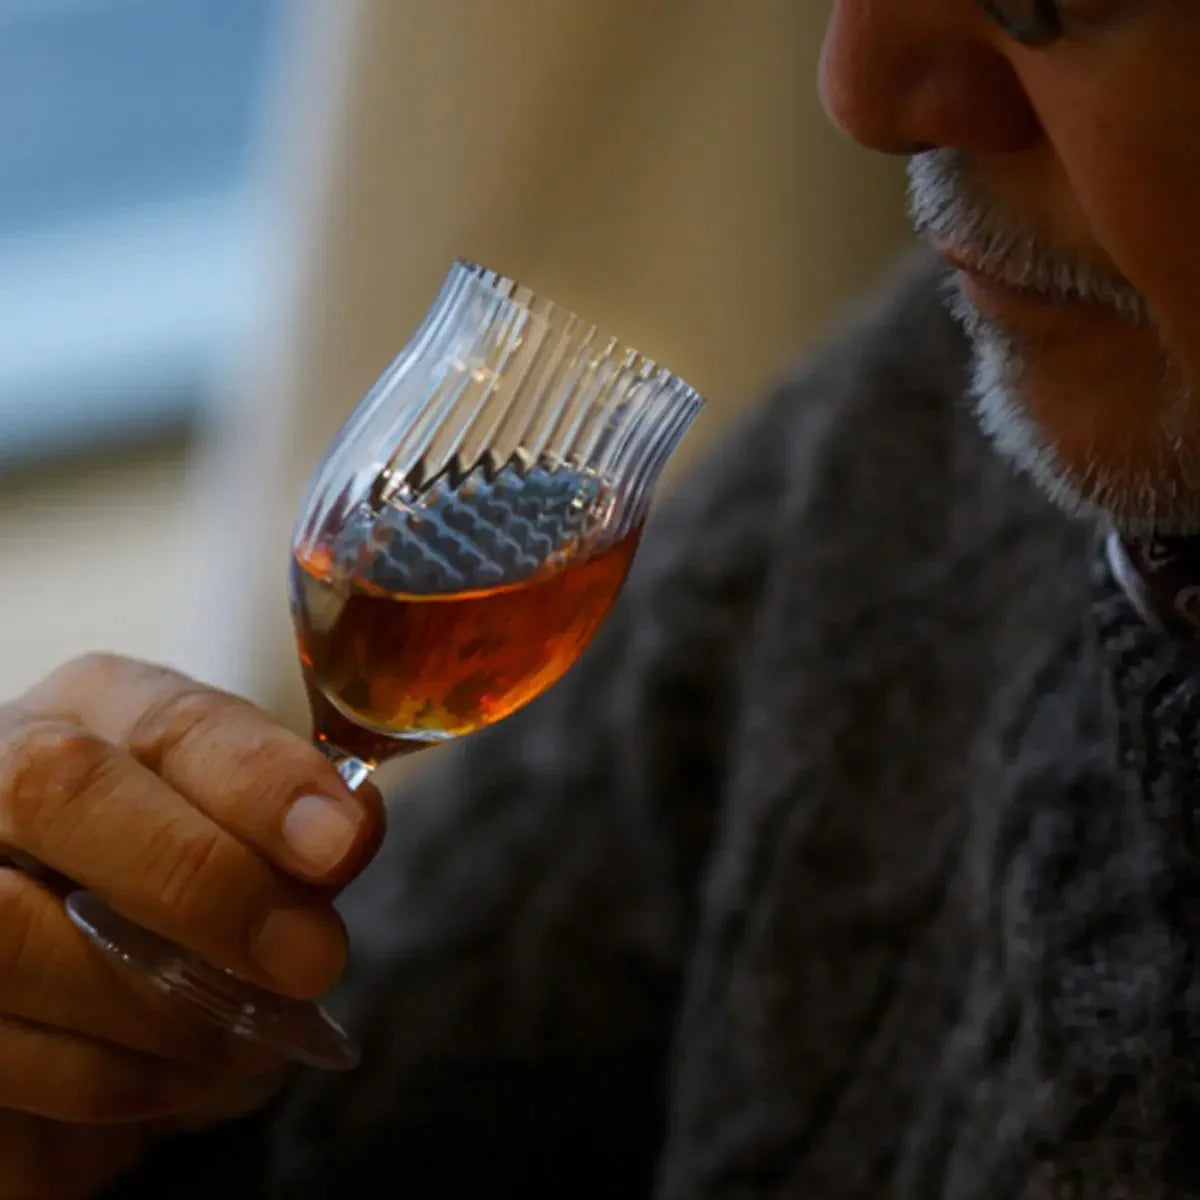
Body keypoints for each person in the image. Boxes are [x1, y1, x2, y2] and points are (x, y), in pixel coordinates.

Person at [4, 2, 1200, 1195]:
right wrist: (91, 1079)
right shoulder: (895, 463)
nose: (861, 95)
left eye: (1053, 1)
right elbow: (345, 1099)